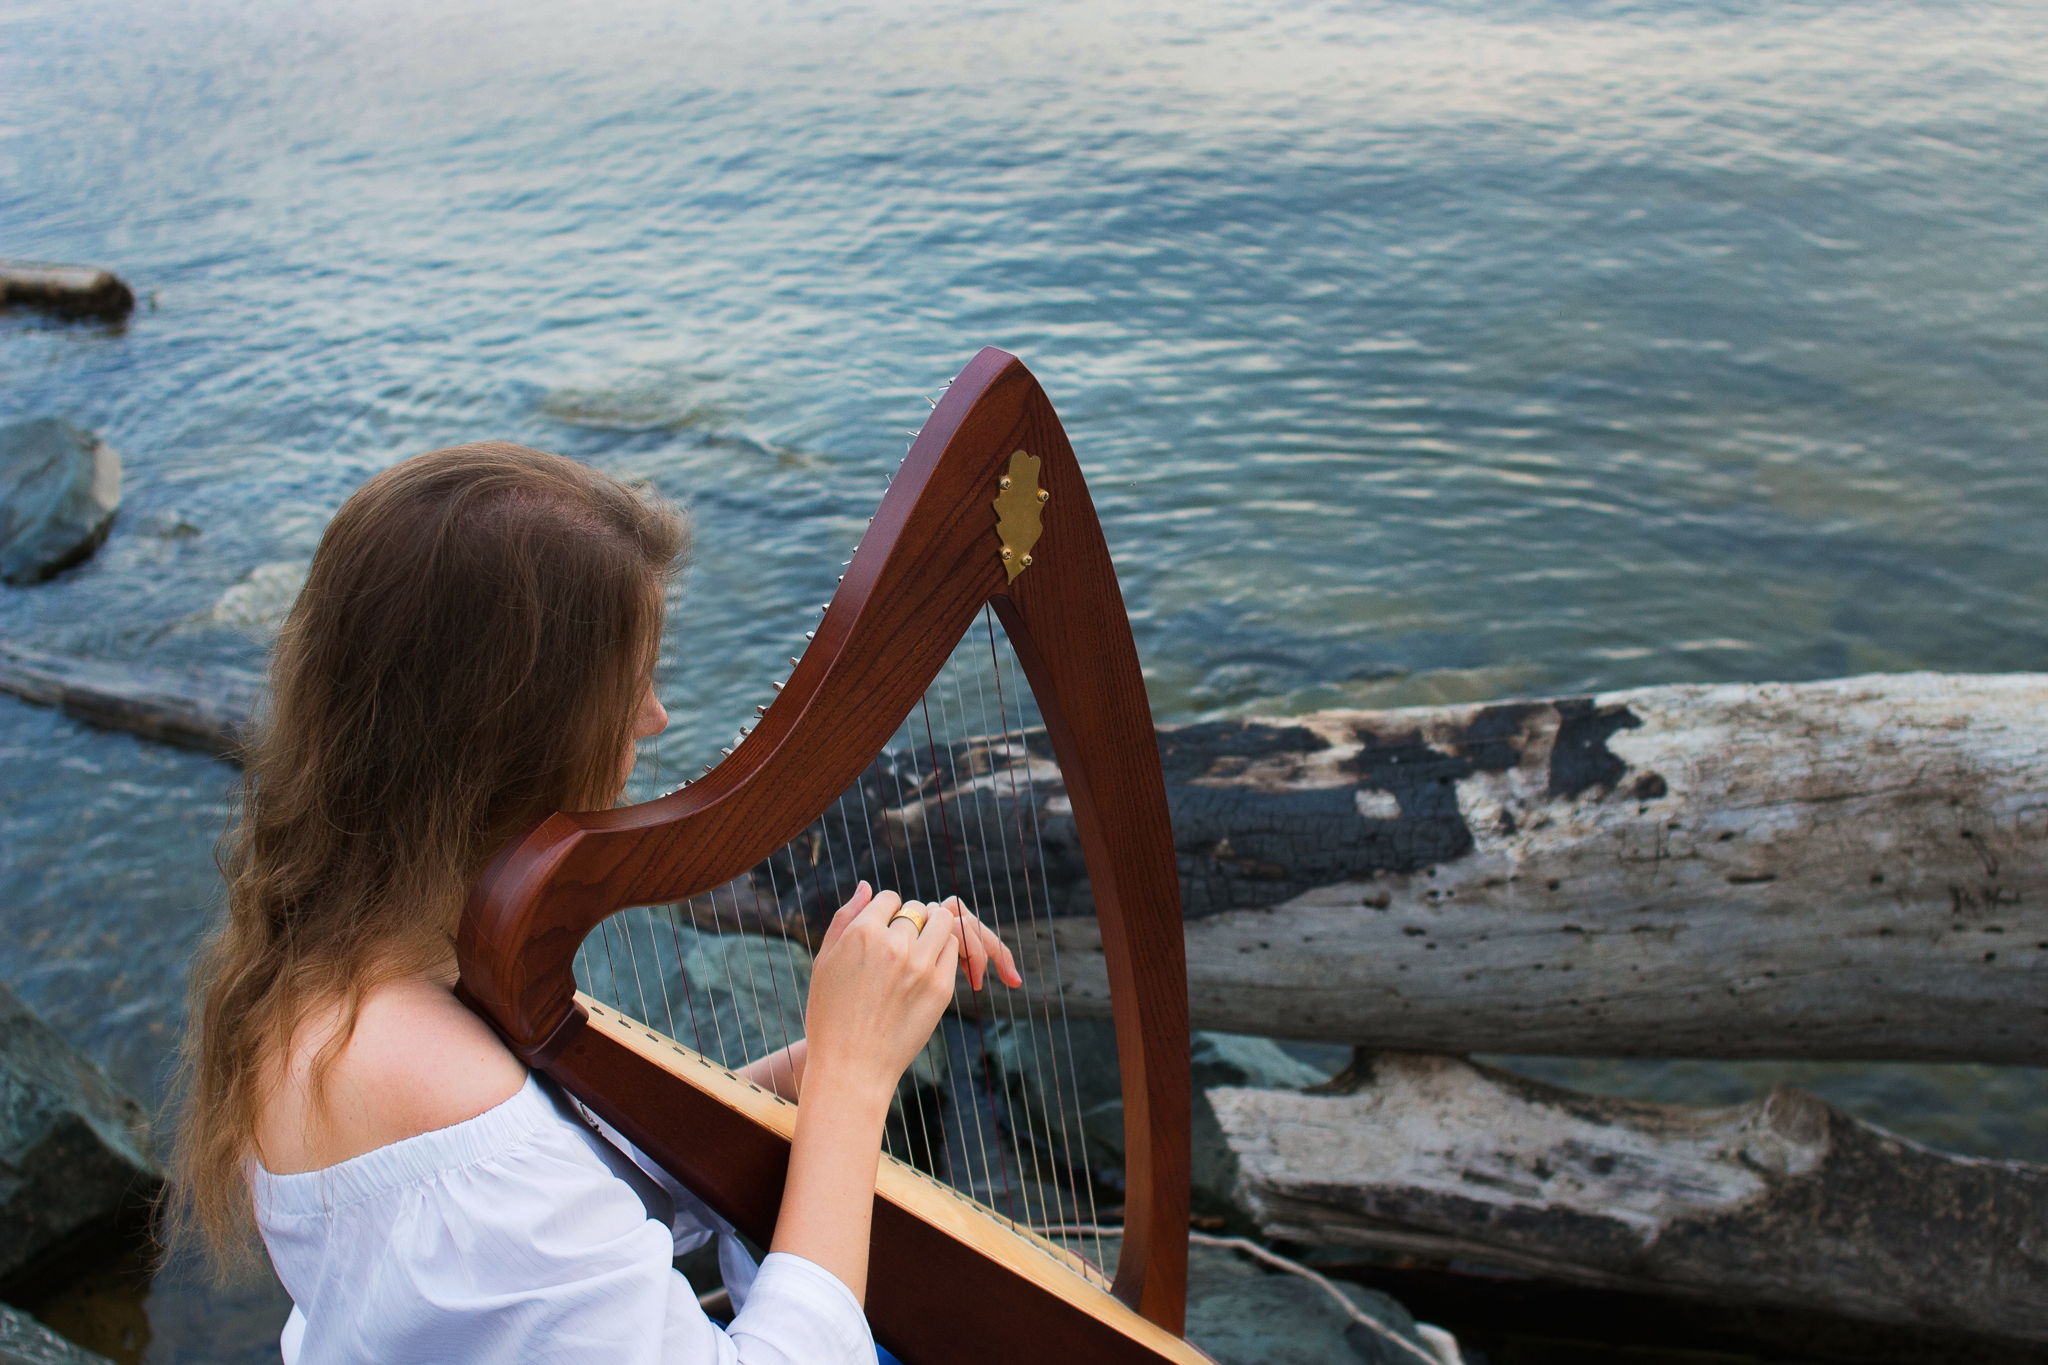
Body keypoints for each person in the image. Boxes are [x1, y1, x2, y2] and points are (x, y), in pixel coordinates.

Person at [171, 442, 1024, 1364]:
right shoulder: (442, 1101)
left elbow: (569, 1198)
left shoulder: (337, 967)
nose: (654, 716)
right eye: (635, 679)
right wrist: (855, 1084)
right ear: (525, 727)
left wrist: (836, 1051)